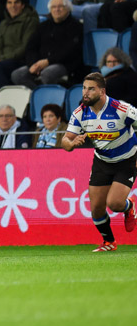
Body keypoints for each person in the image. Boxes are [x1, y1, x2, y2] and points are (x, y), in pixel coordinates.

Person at [62, 72, 137, 251]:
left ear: (102, 92)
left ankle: (129, 206)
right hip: (102, 161)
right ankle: (109, 242)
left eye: (91, 89)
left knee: (115, 203)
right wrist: (71, 144)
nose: (85, 93)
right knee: (96, 208)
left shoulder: (122, 109)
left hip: (126, 160)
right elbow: (65, 140)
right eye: (84, 88)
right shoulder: (80, 113)